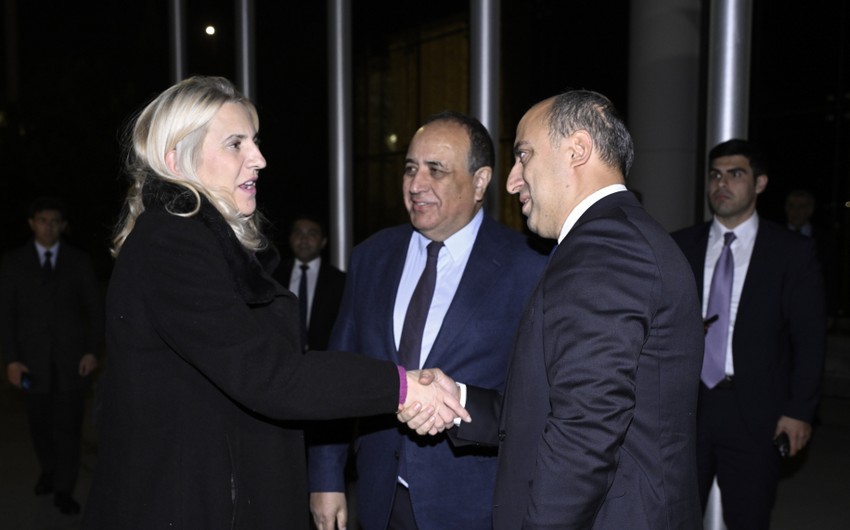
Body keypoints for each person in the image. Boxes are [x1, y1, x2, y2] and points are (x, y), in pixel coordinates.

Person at [80, 76, 467, 530]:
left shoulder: (199, 242)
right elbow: (269, 374)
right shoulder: (172, 244)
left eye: (255, 142)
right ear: (176, 160)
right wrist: (401, 386)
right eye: (235, 144)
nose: (259, 159)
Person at [403, 90, 705, 529]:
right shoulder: (616, 238)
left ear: (577, 149)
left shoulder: (605, 249)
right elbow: (560, 403)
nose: (512, 180)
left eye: (524, 155)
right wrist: (460, 400)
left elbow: (586, 432)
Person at [308, 111, 546, 530]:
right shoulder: (371, 257)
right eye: (410, 168)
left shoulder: (528, 268)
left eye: (435, 170)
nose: (416, 185)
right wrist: (326, 477)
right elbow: (339, 373)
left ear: (480, 182)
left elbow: (535, 400)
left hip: (475, 506)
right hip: (379, 497)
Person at [671, 139, 826, 529]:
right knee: (672, 517)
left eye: (735, 174)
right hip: (686, 409)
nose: (721, 184)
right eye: (715, 175)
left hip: (756, 413)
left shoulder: (790, 252)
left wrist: (799, 411)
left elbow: (809, 339)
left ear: (760, 183)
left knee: (749, 518)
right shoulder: (680, 245)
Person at [0, 196, 103, 516]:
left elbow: (96, 311)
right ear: (32, 224)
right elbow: (6, 315)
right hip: (30, 364)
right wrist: (12, 359)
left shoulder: (78, 261)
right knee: (39, 424)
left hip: (73, 363)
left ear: (63, 226)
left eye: (55, 222)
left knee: (68, 428)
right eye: (43, 221)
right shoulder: (14, 262)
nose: (49, 227)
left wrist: (92, 351)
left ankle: (64, 488)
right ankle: (49, 470)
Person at [273, 215, 346, 351]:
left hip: (324, 356)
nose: (304, 239)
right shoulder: (274, 275)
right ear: (290, 239)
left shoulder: (340, 281)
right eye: (298, 233)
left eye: (311, 234)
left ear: (323, 241)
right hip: (282, 353)